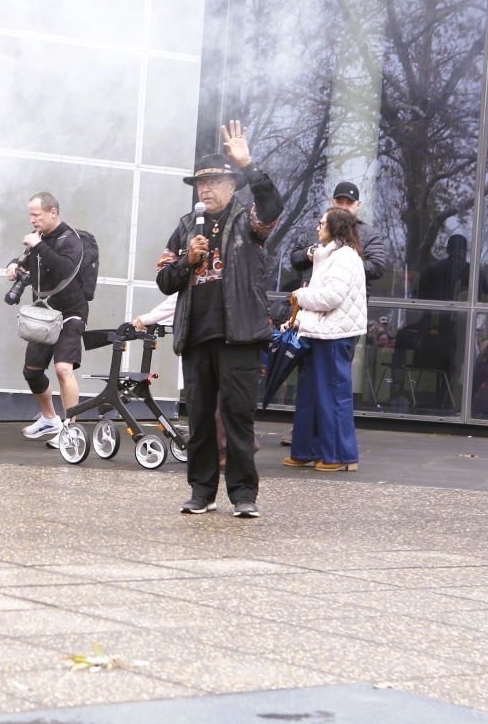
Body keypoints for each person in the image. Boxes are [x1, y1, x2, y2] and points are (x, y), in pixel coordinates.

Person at [156, 121, 282, 518]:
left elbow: (273, 209)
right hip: (197, 337)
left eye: (213, 181)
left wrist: (249, 165)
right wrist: (187, 260)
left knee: (238, 419)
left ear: (232, 185)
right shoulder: (184, 226)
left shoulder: (249, 221)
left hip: (240, 336)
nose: (205, 189)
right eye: (200, 183)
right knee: (199, 420)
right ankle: (201, 491)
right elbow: (163, 280)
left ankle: (244, 496)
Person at [281, 180, 387, 445]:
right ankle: (308, 434)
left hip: (342, 319)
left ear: (358, 206)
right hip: (314, 316)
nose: (343, 206)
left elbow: (378, 267)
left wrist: (341, 257)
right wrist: (313, 252)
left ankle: (333, 441)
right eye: (338, 202)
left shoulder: (368, 236)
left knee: (335, 382)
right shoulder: (321, 230)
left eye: (348, 203)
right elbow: (294, 258)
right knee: (309, 377)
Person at [284, 208, 368, 472]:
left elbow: (331, 297)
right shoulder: (329, 255)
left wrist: (300, 295)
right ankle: (305, 450)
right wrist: (298, 319)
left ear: (335, 227)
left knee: (332, 394)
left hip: (334, 335)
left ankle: (339, 455)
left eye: (322, 223)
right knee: (310, 394)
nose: (317, 227)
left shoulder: (344, 257)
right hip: (321, 332)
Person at [6, 192, 87, 449]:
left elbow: (63, 268)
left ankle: (70, 428)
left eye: (36, 215)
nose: (32, 220)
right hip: (44, 313)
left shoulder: (70, 239)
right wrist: (12, 266)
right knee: (32, 371)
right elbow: (25, 261)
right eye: (30, 215)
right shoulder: (37, 238)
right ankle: (50, 419)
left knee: (64, 368)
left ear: (53, 212)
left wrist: (38, 246)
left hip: (71, 312)